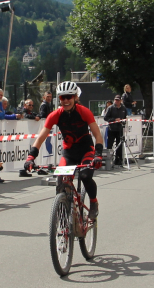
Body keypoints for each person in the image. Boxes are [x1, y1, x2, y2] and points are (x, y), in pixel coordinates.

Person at [24, 80, 103, 220]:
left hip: (86, 150)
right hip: (69, 153)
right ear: (59, 99)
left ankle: (93, 203)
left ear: (75, 97)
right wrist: (31, 157)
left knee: (85, 176)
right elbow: (41, 137)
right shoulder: (55, 115)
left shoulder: (84, 112)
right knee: (61, 181)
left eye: (69, 97)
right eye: (62, 97)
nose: (66, 100)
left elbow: (97, 135)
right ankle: (63, 214)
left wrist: (98, 155)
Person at [103, 95, 127, 166]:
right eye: (115, 100)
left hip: (119, 129)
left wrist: (122, 121)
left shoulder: (123, 108)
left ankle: (118, 160)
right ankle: (109, 160)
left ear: (120, 101)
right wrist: (114, 119)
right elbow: (105, 118)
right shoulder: (110, 108)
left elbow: (125, 118)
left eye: (118, 100)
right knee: (109, 145)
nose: (116, 101)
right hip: (111, 129)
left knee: (119, 145)